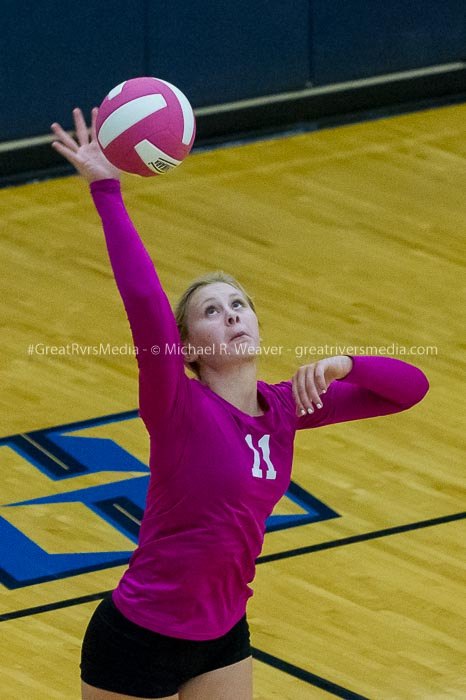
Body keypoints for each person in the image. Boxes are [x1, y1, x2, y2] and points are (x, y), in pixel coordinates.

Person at [50, 108, 429, 700]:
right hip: (138, 639)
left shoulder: (288, 407)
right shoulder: (175, 403)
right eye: (211, 311)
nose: (230, 315)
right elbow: (145, 299)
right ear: (187, 347)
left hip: (223, 634)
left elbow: (411, 389)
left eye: (238, 305)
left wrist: (346, 364)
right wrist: (106, 190)